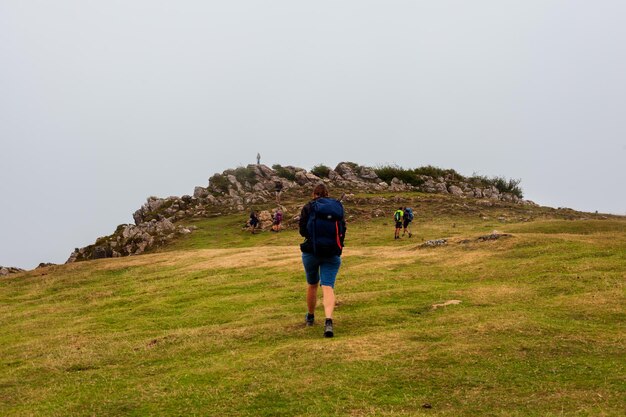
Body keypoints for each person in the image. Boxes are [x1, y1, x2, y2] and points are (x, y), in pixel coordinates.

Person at [299, 183, 346, 338]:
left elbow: (302, 231)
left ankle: (311, 317)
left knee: (312, 285)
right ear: (327, 193)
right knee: (328, 287)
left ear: (314, 194)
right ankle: (328, 321)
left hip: (311, 252)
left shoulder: (308, 207)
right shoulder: (336, 207)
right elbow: (343, 229)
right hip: (332, 253)